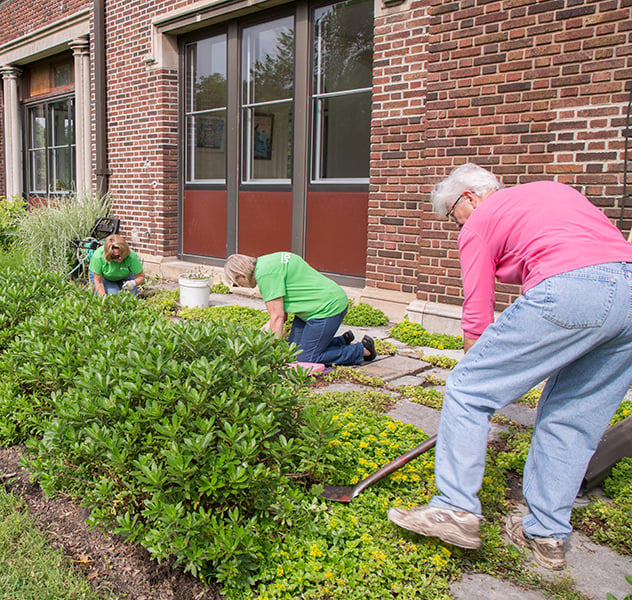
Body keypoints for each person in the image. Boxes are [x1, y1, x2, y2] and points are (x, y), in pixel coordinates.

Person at [387, 163, 632, 570]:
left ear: (469, 197)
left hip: (570, 287)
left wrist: (478, 373)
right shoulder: (552, 193)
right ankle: (548, 535)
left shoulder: (480, 219)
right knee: (574, 420)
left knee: (467, 388)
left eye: (451, 216)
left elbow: (477, 312)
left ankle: (455, 508)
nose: (455, 226)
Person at [223, 252, 375, 366]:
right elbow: (281, 314)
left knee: (307, 359)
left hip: (326, 309)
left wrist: (273, 357)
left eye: (236, 283)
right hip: (314, 307)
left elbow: (278, 318)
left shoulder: (265, 276)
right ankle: (342, 341)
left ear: (241, 276)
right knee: (292, 351)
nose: (240, 287)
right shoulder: (268, 262)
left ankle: (362, 351)